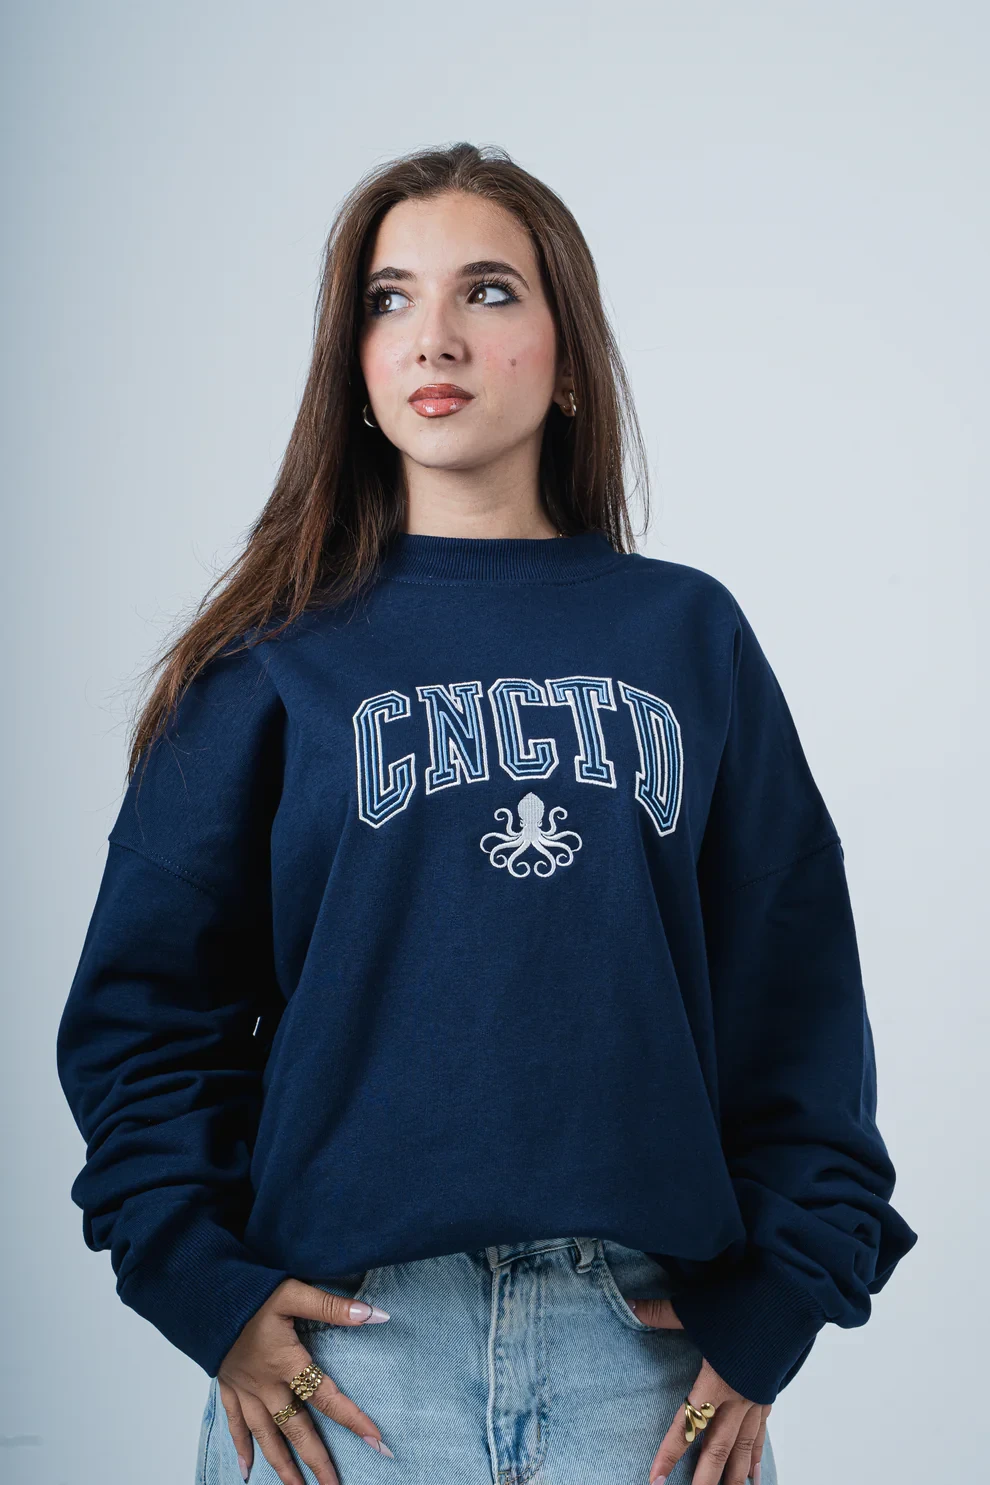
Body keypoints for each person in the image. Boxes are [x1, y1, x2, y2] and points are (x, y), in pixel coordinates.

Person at [56, 141, 918, 1485]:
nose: (434, 336)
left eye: (490, 291)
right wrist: (204, 1288)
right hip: (348, 1359)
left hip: (638, 1363)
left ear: (569, 361)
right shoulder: (273, 659)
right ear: (352, 364)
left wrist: (779, 1308)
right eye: (389, 299)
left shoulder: (686, 635)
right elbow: (144, 1015)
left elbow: (796, 998)